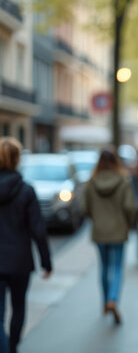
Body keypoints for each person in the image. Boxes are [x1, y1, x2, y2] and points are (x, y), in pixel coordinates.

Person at [0, 137, 52, 353]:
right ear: (17, 159)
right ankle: (12, 348)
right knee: (19, 308)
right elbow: (38, 230)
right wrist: (46, 262)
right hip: (20, 261)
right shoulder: (26, 191)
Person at [81, 147, 137, 325]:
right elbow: (130, 207)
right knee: (118, 268)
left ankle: (105, 302)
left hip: (99, 231)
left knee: (104, 267)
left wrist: (96, 218)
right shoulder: (123, 181)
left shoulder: (91, 182)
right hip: (118, 231)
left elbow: (84, 209)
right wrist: (129, 223)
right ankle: (113, 299)